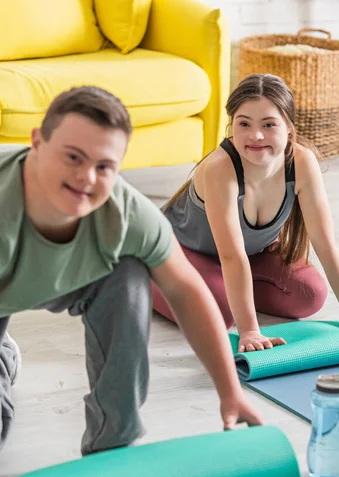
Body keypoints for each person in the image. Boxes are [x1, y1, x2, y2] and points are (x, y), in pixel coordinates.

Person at [0, 86, 264, 456]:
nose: (87, 178)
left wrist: (230, 392)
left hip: (78, 279)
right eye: (73, 157)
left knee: (130, 274)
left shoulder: (129, 215)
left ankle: (112, 443)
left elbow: (187, 291)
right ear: (38, 143)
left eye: (103, 166)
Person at [152, 74, 339, 352]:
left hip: (246, 256)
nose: (256, 135)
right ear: (231, 125)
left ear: (290, 128)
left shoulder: (302, 162)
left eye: (269, 124)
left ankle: (218, 288)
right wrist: (249, 331)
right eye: (243, 123)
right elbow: (231, 256)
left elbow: (325, 243)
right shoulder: (221, 168)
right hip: (178, 251)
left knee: (309, 296)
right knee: (218, 315)